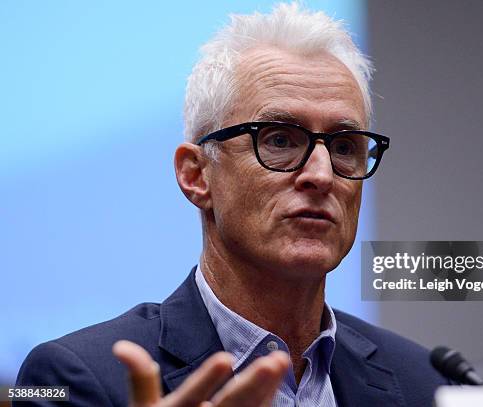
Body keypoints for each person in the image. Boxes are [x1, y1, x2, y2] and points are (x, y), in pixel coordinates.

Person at [16, 3, 449, 406]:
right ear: (196, 175)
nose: (321, 174)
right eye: (279, 140)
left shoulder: (424, 382)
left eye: (344, 146)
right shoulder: (68, 376)